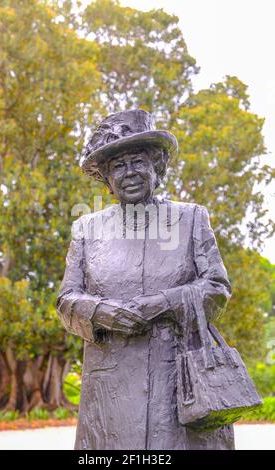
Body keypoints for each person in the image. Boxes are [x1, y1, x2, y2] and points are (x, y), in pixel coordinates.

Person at [56, 109, 234, 450]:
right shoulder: (87, 229)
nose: (129, 173)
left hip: (179, 384)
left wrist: (163, 303)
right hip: (110, 389)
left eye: (137, 161)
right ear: (107, 178)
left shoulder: (191, 218)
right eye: (117, 166)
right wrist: (102, 312)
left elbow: (216, 287)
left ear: (158, 166)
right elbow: (67, 299)